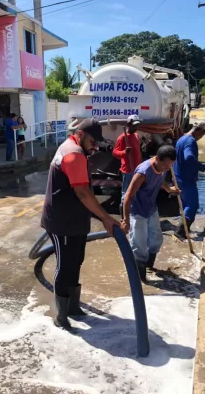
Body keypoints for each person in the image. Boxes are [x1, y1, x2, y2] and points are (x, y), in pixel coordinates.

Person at [41, 118, 120, 331]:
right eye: (93, 141)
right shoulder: (73, 153)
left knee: (76, 261)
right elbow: (83, 193)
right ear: (81, 133)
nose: (95, 146)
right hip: (61, 220)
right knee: (65, 266)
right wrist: (106, 218)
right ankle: (61, 315)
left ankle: (74, 307)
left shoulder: (77, 149)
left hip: (75, 218)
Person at [121, 145, 180, 283]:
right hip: (138, 211)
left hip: (151, 209)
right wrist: (126, 220)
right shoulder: (143, 172)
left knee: (156, 240)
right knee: (139, 246)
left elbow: (160, 181)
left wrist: (169, 189)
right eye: (165, 165)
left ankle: (149, 266)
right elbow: (128, 196)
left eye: (170, 165)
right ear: (157, 159)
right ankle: (140, 280)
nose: (167, 168)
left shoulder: (163, 167)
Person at [173, 122, 205, 239]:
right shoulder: (190, 141)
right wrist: (204, 167)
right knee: (193, 205)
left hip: (179, 177)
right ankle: (180, 232)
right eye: (202, 135)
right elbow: (189, 157)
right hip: (186, 179)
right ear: (199, 131)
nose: (201, 137)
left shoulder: (182, 139)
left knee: (186, 205)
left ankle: (184, 231)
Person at [112, 115, 142, 217]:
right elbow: (115, 152)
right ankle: (124, 217)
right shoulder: (122, 137)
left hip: (137, 169)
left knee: (136, 192)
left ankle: (133, 213)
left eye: (137, 125)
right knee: (126, 193)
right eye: (134, 126)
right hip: (128, 170)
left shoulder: (136, 136)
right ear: (128, 125)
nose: (136, 128)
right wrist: (124, 152)